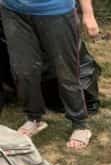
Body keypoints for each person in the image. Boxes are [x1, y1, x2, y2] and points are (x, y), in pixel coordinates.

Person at [1, 0, 99, 151]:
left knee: (65, 70)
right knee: (23, 69)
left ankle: (79, 124)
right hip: (13, 10)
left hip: (56, 11)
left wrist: (88, 14)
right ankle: (33, 118)